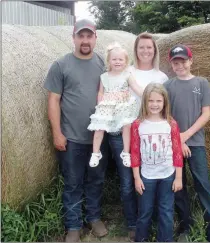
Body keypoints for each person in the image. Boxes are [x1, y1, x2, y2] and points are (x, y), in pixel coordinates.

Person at [44, 19, 109, 242]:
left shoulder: (103, 64)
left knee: (96, 179)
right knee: (73, 182)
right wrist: (57, 133)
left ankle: (93, 217)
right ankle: (73, 226)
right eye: (80, 36)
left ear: (95, 38)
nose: (85, 40)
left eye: (89, 36)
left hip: (98, 139)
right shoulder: (61, 65)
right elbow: (53, 100)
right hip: (71, 137)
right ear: (73, 38)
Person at [164, 44, 210, 242]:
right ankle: (185, 228)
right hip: (174, 143)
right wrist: (178, 139)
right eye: (175, 62)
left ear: (191, 61)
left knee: (203, 185)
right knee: (178, 187)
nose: (179, 65)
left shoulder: (202, 83)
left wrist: (185, 136)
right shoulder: (168, 86)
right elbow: (165, 114)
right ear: (171, 64)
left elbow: (206, 114)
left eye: (183, 61)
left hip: (195, 143)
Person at [130, 83, 184, 242]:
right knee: (145, 211)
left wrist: (178, 177)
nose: (154, 104)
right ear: (145, 102)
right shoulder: (138, 124)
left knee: (166, 211)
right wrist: (137, 178)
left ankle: (165, 239)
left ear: (164, 102)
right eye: (150, 101)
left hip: (168, 175)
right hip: (146, 177)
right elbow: (134, 153)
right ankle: (141, 239)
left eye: (158, 101)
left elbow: (177, 151)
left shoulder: (171, 123)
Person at [88, 43, 143, 168]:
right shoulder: (104, 77)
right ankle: (96, 153)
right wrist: (99, 106)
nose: (117, 62)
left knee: (126, 125)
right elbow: (101, 92)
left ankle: (125, 152)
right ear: (109, 61)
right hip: (107, 105)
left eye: (120, 59)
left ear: (125, 61)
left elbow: (137, 88)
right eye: (114, 59)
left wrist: (149, 93)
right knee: (99, 127)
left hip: (122, 106)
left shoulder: (127, 75)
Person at [131, 33, 168, 100]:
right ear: (136, 50)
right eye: (141, 47)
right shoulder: (127, 72)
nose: (145, 51)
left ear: (155, 50)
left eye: (149, 47)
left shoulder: (163, 78)